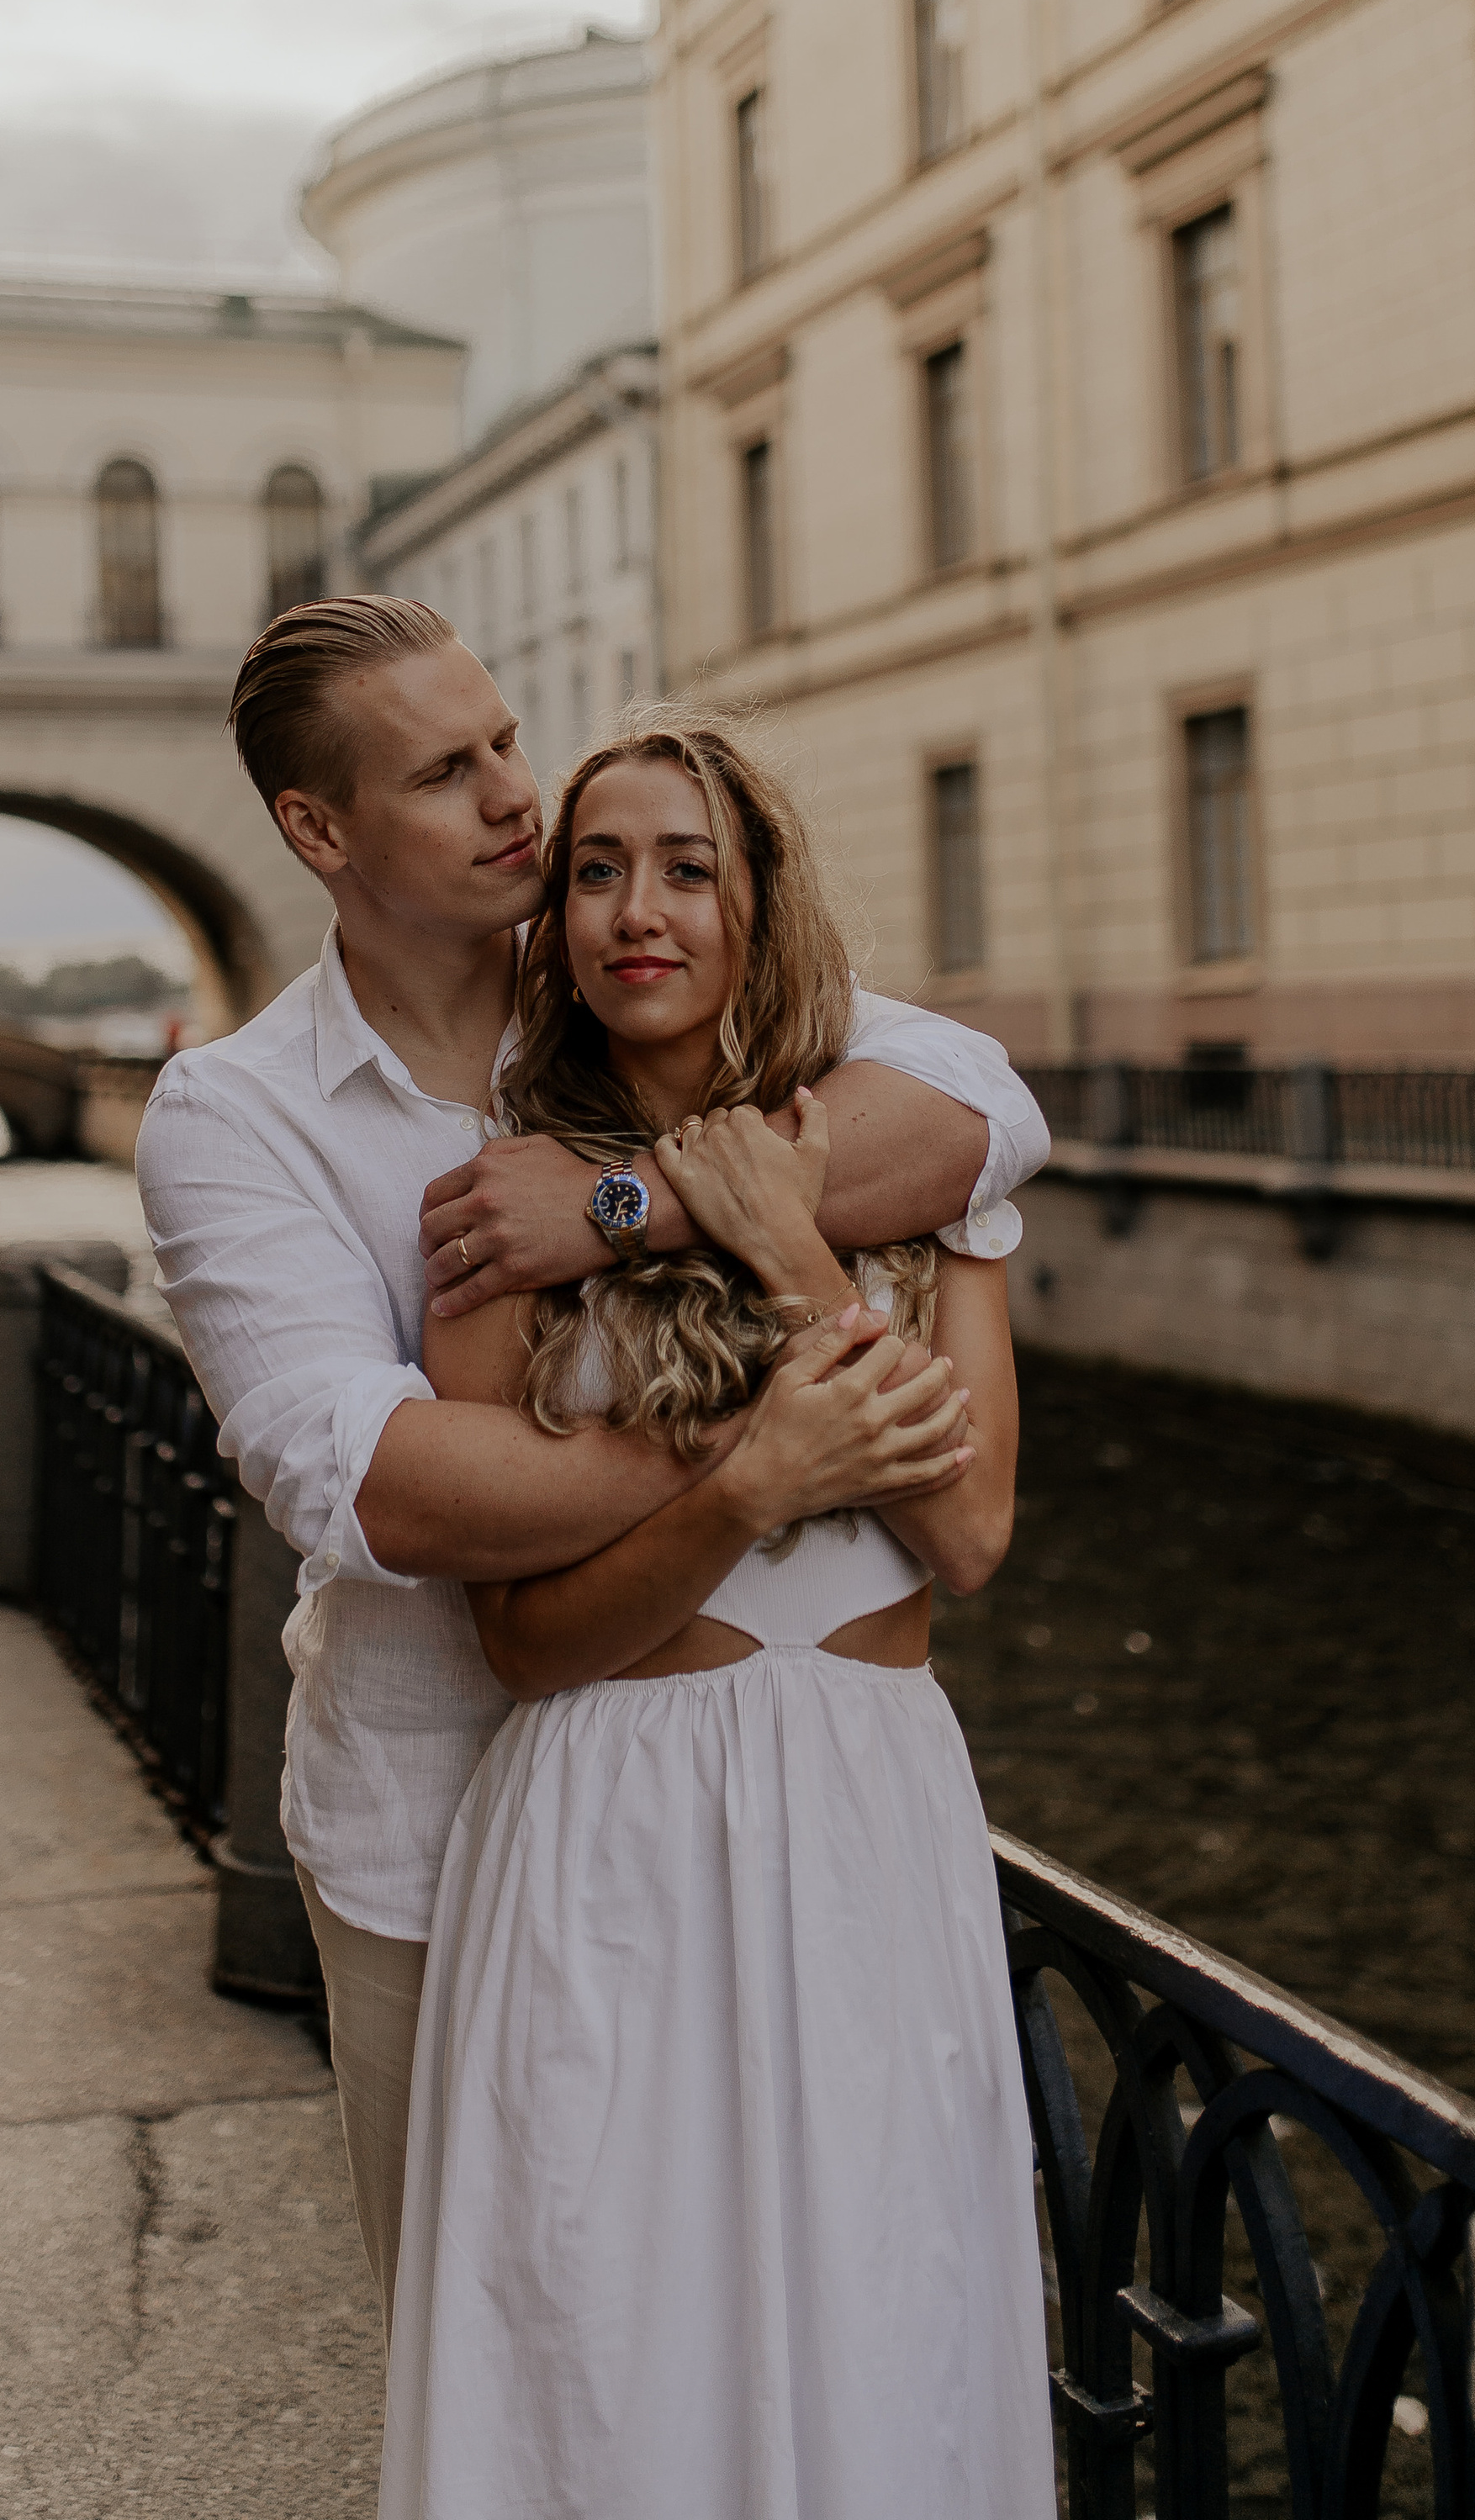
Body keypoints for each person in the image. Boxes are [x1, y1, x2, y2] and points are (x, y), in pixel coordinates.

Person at [135, 595, 1050, 2347]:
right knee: (525, 2365)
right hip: (451, 1824)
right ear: (318, 831)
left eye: (502, 744)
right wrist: (760, 1448)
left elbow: (975, 1112)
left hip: (809, 1807)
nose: (512, 797)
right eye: (445, 770)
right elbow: (389, 1482)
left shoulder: (644, 982)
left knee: (842, 2311)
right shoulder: (236, 1115)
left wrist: (621, 1203)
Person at [377, 714, 1055, 2520]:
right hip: (607, 1827)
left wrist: (794, 1261)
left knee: (882, 2323)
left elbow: (967, 1531)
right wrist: (751, 1482)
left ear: (762, 901)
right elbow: (519, 1645)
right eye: (594, 871)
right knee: (609, 2349)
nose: (633, 910)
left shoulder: (918, 1177)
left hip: (864, 1811)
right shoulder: (500, 1208)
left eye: (687, 868)